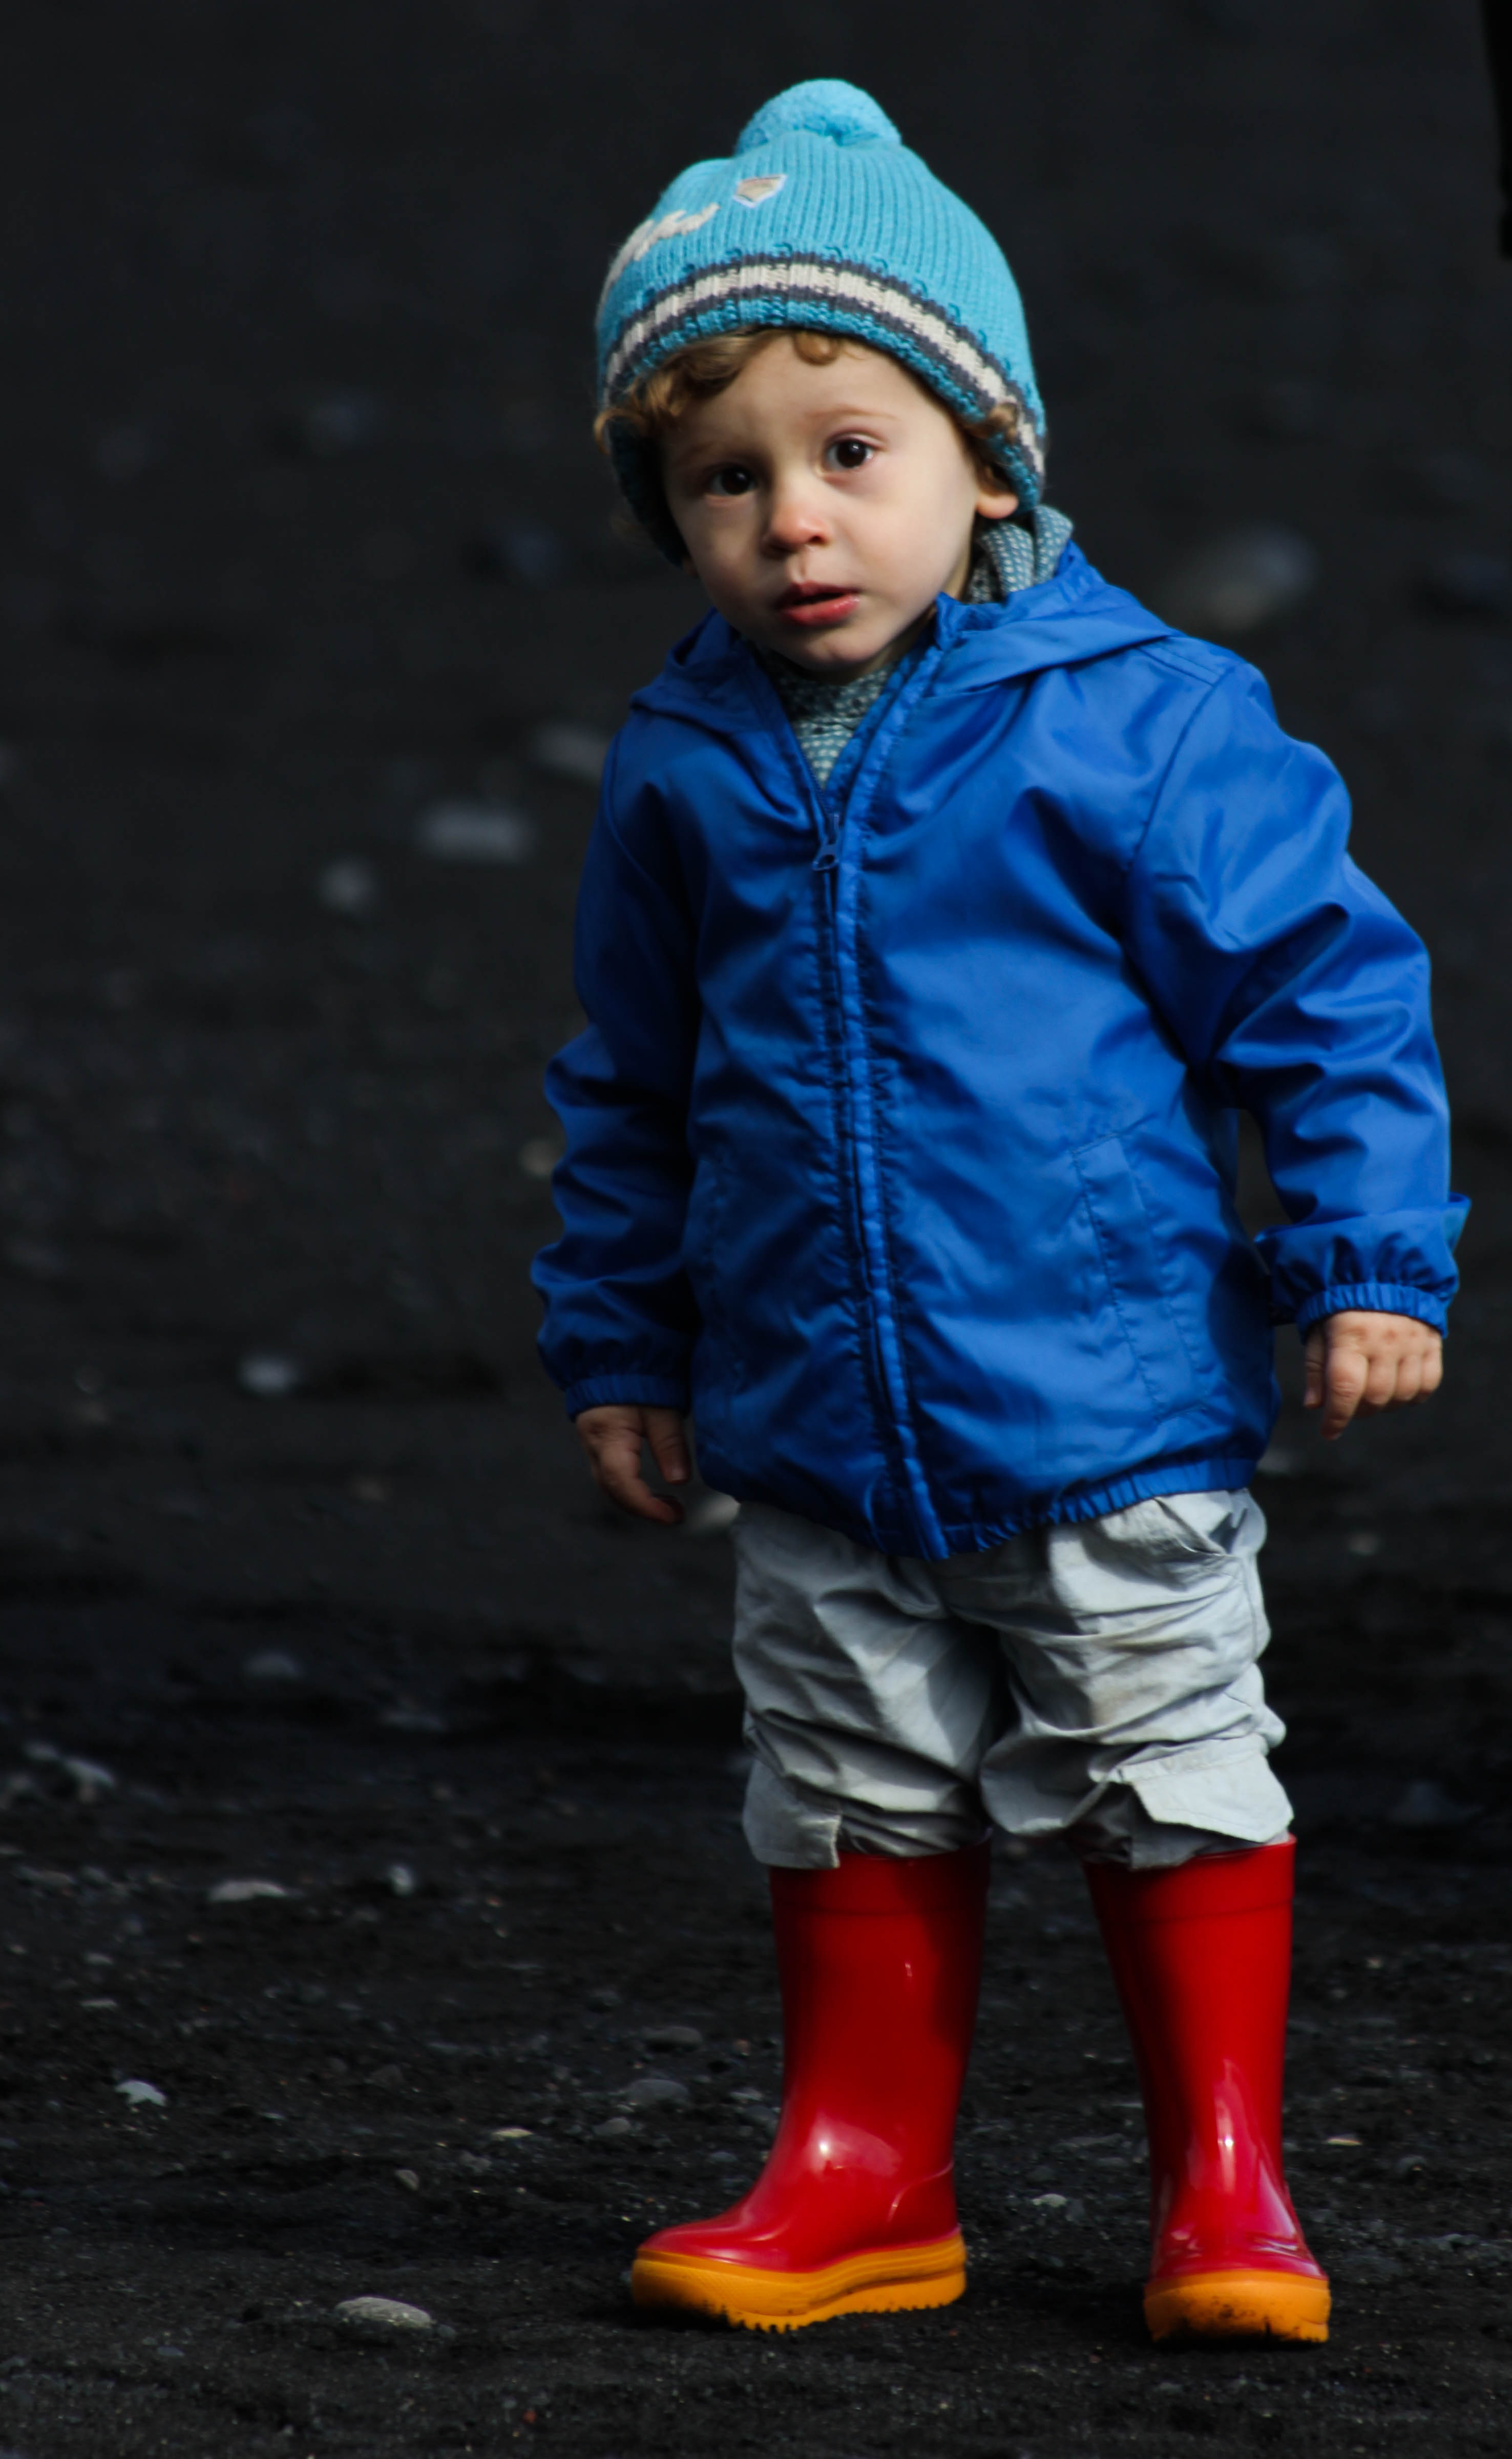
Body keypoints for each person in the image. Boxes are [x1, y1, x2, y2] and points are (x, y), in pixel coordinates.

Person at [533, 80, 1465, 2344]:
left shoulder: (1140, 720)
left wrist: (1361, 1258)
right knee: (844, 1777)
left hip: (1099, 1394)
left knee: (1170, 1761)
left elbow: (1327, 994)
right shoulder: (684, 764)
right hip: (811, 1415)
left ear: (989, 455)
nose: (794, 519)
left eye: (852, 451)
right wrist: (624, 1340)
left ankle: (1226, 2183)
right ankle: (866, 2174)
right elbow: (631, 1087)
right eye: (724, 477)